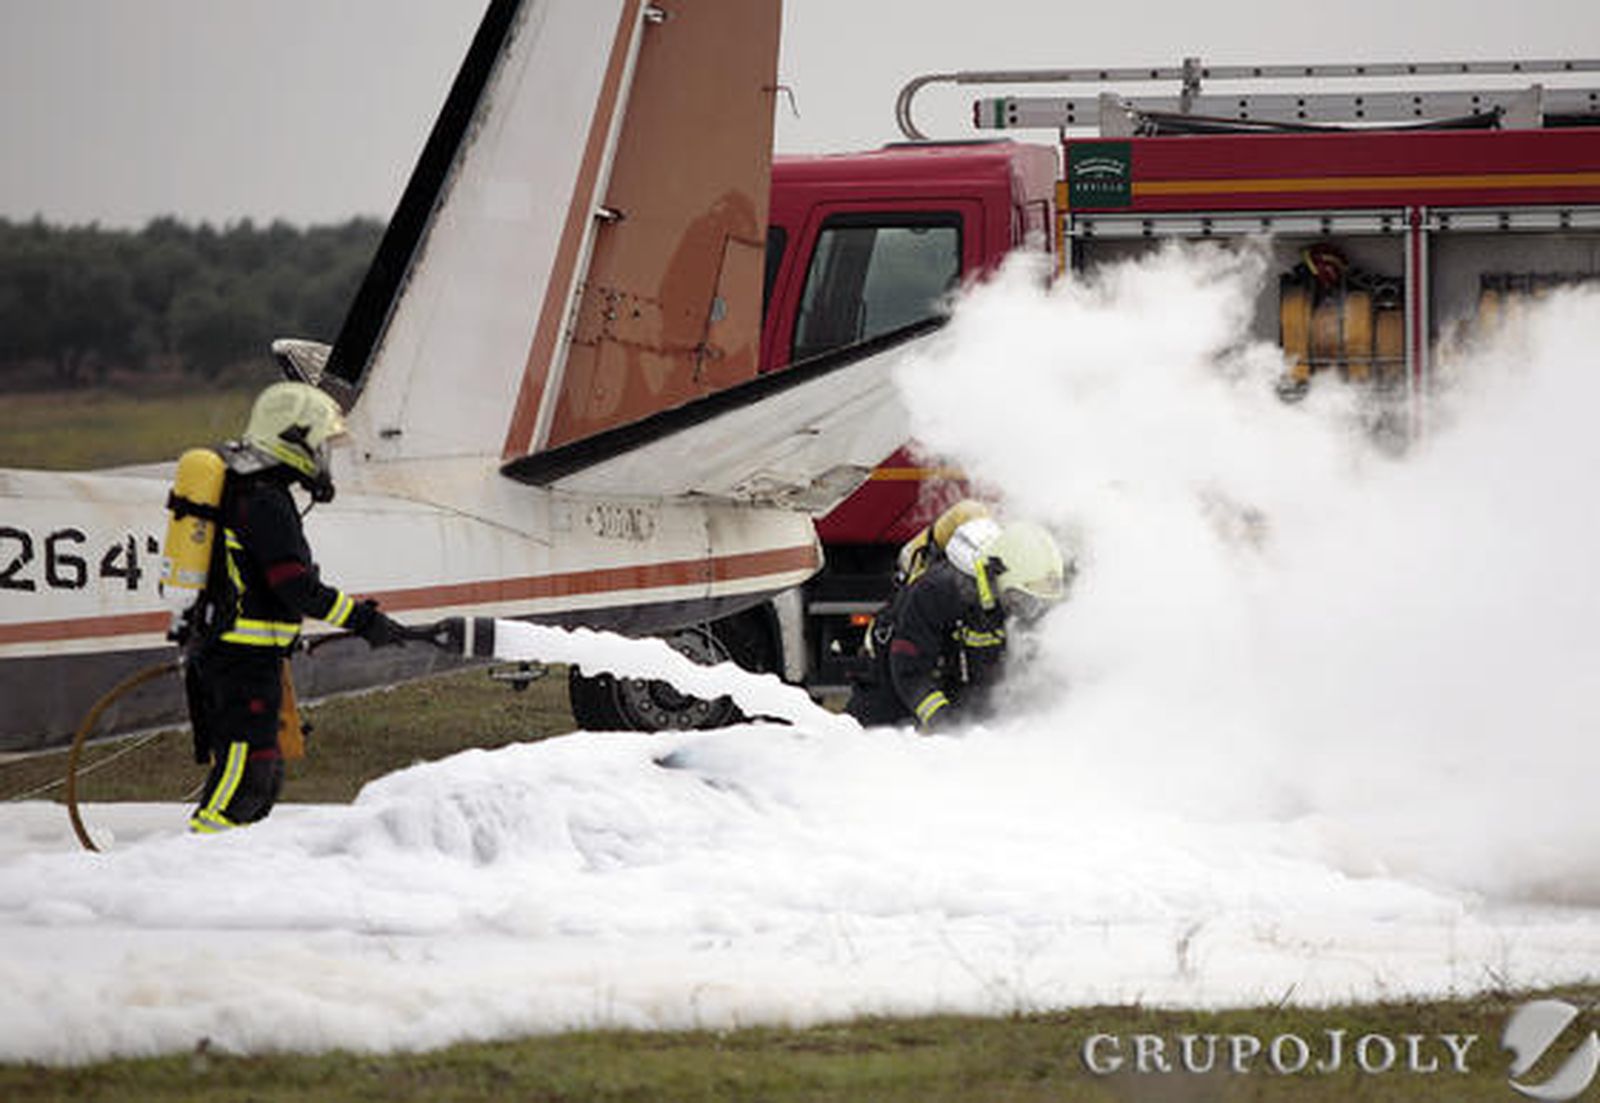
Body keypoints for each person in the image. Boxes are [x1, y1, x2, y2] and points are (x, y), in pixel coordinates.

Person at [181, 382, 405, 833]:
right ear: (293, 437)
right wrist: (363, 620)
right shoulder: (262, 499)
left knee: (261, 777)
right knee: (244, 782)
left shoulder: (254, 490)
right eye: (320, 442)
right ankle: (195, 863)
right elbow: (294, 585)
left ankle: (226, 871)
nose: (323, 455)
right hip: (240, 659)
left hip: (247, 657)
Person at [846, 518, 1070, 731]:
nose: (1028, 611)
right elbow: (911, 670)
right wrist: (945, 725)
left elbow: (1025, 670)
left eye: (1034, 603)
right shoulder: (937, 592)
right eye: (1022, 599)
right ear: (999, 575)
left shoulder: (1010, 596)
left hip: (953, 685)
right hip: (888, 690)